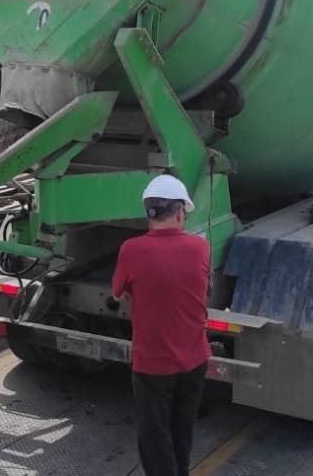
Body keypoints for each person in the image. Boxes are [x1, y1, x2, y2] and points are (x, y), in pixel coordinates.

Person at [112, 175, 210, 476]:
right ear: (180, 212)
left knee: (155, 441)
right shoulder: (200, 248)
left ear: (149, 213)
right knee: (182, 435)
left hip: (153, 365)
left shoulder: (131, 250)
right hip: (195, 361)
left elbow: (119, 292)